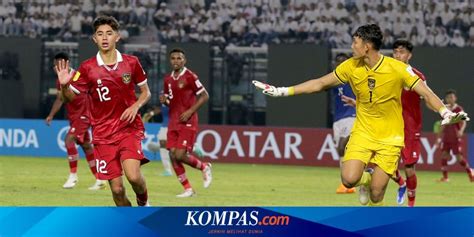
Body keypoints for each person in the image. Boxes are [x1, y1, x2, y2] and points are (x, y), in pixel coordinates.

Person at [253, 24, 469, 206]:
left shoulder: (397, 68)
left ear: (366, 47)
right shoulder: (350, 66)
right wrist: (282, 90)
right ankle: (364, 183)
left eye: (355, 42)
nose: (351, 46)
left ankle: (372, 199)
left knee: (376, 195)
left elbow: (426, 92)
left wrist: (444, 111)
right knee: (348, 179)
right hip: (363, 134)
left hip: (391, 139)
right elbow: (319, 83)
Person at [56, 15, 151, 206]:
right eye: (100, 34)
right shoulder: (87, 68)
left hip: (128, 129)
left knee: (133, 176)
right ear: (94, 39)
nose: (105, 37)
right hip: (102, 134)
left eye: (109, 33)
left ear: (118, 37)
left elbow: (146, 93)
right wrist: (65, 86)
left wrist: (135, 106)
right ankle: (130, 220)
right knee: (117, 190)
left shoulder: (131, 63)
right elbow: (69, 98)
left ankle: (143, 204)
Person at [45, 52, 106, 191]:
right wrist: (51, 115)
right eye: (55, 65)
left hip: (84, 115)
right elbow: (61, 99)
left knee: (69, 140)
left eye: (59, 64)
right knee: (86, 146)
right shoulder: (60, 80)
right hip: (74, 117)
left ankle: (73, 176)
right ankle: (99, 179)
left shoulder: (78, 76)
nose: (56, 67)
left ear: (67, 63)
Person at [161, 48, 212, 198]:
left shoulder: (190, 76)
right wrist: (165, 101)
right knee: (172, 155)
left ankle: (205, 167)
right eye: (173, 58)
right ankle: (188, 189)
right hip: (173, 121)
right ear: (170, 61)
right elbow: (172, 103)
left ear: (184, 61)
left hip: (188, 121)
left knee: (180, 154)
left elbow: (205, 96)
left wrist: (190, 111)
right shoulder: (167, 80)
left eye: (179, 58)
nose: (176, 61)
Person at [389, 40, 427, 207]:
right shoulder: (386, 74)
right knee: (383, 165)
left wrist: (442, 109)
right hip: (389, 125)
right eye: (395, 52)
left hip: (410, 128)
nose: (398, 55)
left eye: (402, 52)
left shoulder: (417, 76)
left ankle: (411, 206)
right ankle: (401, 184)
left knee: (409, 168)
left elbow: (428, 97)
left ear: (409, 55)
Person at [143, 103, 205, 177]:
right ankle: (167, 170)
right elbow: (162, 108)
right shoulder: (165, 95)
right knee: (164, 146)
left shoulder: (173, 96)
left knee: (165, 145)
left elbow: (173, 107)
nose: (161, 97)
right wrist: (152, 113)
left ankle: (193, 147)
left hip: (173, 125)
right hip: (165, 125)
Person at [331, 53, 356, 194]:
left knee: (342, 146)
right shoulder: (334, 79)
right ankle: (347, 183)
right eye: (337, 61)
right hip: (338, 119)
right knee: (341, 151)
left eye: (343, 61)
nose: (340, 63)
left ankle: (348, 183)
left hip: (352, 115)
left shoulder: (354, 76)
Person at [437, 90, 473, 182]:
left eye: (452, 97)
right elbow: (443, 123)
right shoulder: (445, 109)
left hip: (455, 137)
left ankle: (470, 173)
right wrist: (439, 135)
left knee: (459, 158)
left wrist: (461, 131)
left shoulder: (458, 109)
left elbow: (464, 122)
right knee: (444, 155)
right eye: (448, 97)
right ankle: (445, 177)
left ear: (455, 98)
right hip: (446, 136)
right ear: (446, 99)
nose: (450, 99)